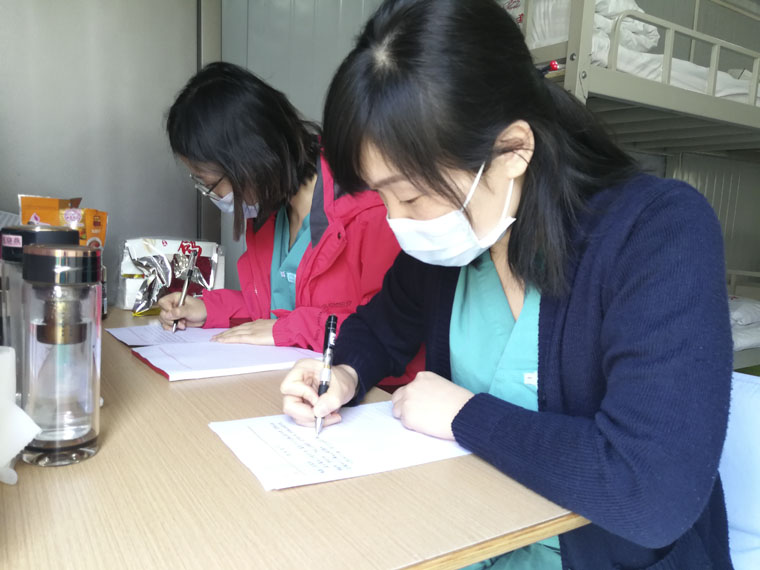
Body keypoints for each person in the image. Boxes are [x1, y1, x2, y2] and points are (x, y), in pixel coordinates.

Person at [280, 1, 734, 568]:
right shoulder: (450, 243)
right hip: (468, 534)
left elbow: (650, 493)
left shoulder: (658, 232)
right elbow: (380, 327)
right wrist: (343, 374)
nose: (397, 221)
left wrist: (465, 417)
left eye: (412, 195)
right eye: (383, 196)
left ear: (514, 150)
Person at [159, 62, 420, 387]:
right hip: (293, 382)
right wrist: (207, 308)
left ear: (248, 161)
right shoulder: (270, 212)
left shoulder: (372, 208)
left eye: (209, 183)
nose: (213, 195)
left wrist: (288, 329)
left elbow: (387, 331)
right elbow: (273, 311)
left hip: (371, 394)